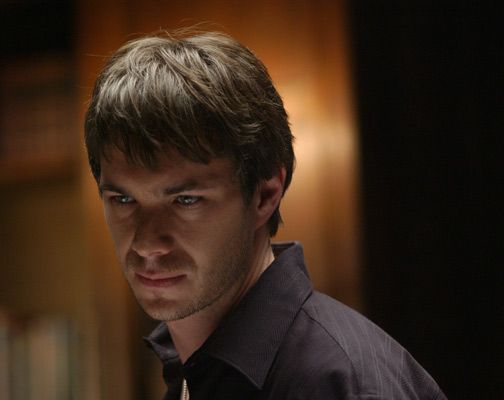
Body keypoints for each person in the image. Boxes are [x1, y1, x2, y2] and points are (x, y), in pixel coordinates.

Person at [84, 30, 447, 400]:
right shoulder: (194, 372)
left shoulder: (338, 385)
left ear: (265, 195)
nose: (146, 244)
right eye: (123, 200)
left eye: (186, 200)